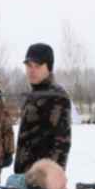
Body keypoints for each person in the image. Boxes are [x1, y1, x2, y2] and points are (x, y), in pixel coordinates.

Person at [13, 43, 72, 174]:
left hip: (43, 179)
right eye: (29, 66)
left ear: (49, 68)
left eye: (37, 66)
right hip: (25, 176)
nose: (32, 70)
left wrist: (50, 180)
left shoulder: (56, 96)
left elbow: (61, 143)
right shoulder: (33, 94)